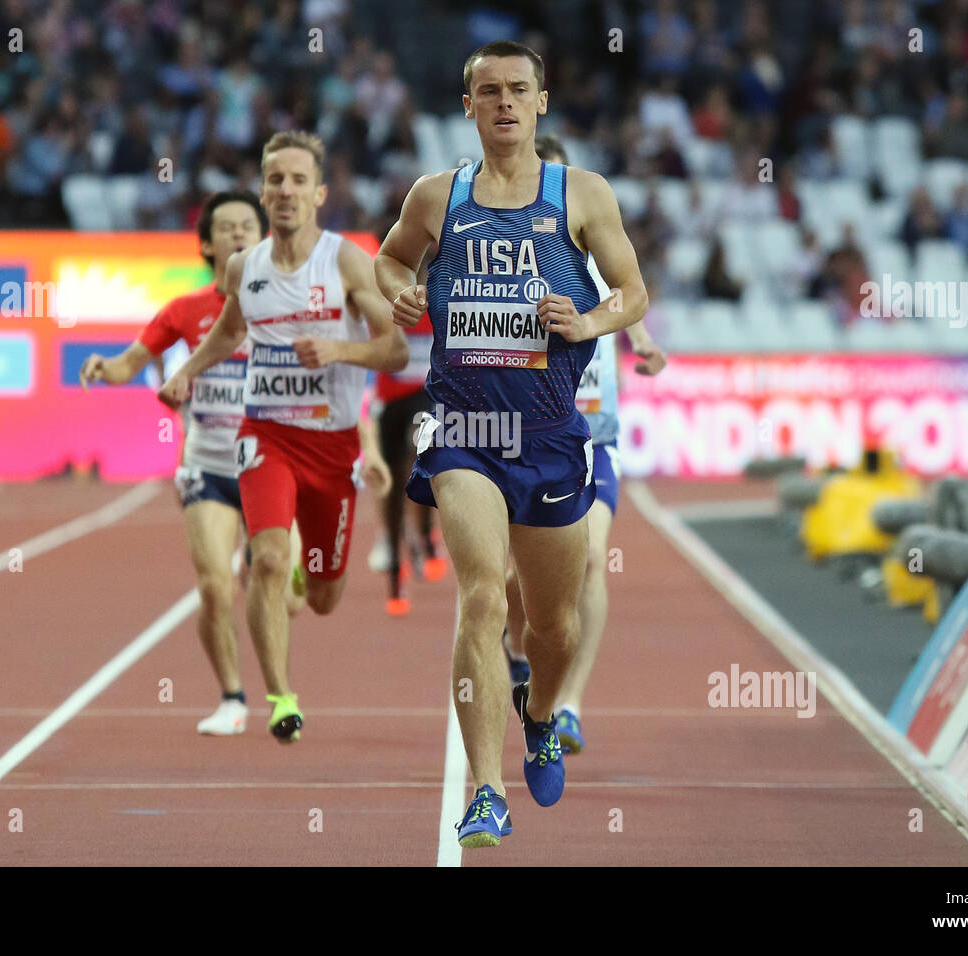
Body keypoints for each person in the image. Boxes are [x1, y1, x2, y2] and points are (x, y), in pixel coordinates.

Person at [374, 41, 648, 847]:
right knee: (484, 596)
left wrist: (588, 320)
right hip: (463, 429)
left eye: (517, 90)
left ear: (540, 102)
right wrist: (402, 293)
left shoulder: (582, 194)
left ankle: (539, 712)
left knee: (553, 626)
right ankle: (486, 791)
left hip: (553, 436)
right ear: (468, 106)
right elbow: (390, 261)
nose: (502, 102)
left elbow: (633, 292)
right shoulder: (437, 195)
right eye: (487, 91)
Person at [160, 131, 406, 743]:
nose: (285, 191)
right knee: (266, 559)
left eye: (298, 180)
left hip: (333, 447)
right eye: (275, 180)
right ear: (264, 191)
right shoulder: (247, 266)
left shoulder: (345, 260)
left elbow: (395, 349)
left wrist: (338, 349)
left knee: (323, 594)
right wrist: (186, 373)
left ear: (319, 193)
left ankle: (307, 577)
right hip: (265, 435)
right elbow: (224, 333)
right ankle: (279, 697)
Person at [80, 190, 306, 737]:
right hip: (207, 466)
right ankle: (233, 697)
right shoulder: (185, 311)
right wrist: (105, 368)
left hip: (273, 464)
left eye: (245, 226)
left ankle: (280, 627)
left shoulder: (293, 300)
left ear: (264, 235)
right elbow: (133, 360)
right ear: (206, 243)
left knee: (287, 592)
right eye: (225, 227)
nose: (236, 235)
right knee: (212, 587)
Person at [500, 135, 667, 756]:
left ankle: (568, 704)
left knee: (593, 559)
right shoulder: (501, 255)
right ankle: (519, 653)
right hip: (522, 435)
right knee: (521, 576)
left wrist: (643, 344)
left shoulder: (595, 242)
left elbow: (626, 299)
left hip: (592, 439)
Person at [368, 260, 447, 617]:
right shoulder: (382, 305)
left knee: (419, 455)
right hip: (388, 403)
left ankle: (427, 535)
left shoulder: (439, 302)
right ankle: (396, 562)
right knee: (390, 481)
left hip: (424, 398)